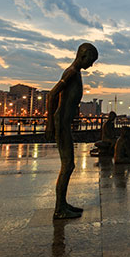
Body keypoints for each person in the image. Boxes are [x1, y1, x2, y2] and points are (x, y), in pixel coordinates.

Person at [46, 43, 98, 219]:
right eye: (91, 61)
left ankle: (62, 203)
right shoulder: (71, 72)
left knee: (69, 165)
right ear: (84, 56)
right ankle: (59, 209)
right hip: (61, 123)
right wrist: (50, 125)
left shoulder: (76, 73)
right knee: (67, 165)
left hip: (65, 123)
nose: (91, 65)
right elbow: (52, 95)